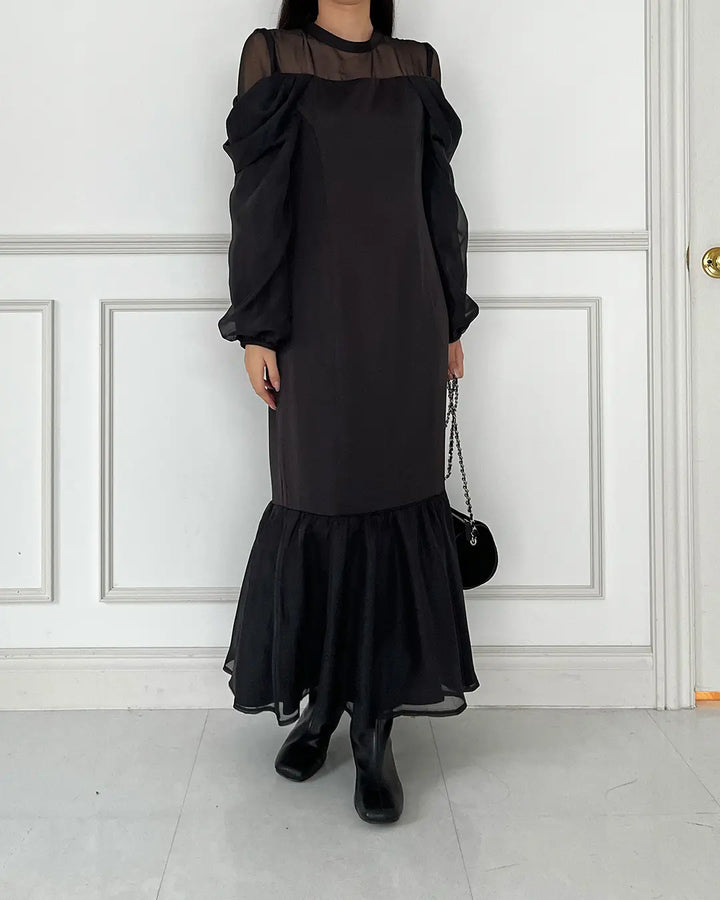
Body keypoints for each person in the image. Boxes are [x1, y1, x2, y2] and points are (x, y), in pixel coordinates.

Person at [219, 0, 480, 825]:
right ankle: (321, 704)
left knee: (396, 507)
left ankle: (374, 726)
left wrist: (450, 317)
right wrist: (257, 328)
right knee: (318, 503)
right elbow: (257, 200)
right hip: (312, 325)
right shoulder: (273, 57)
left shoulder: (416, 65)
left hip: (407, 320)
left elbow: (437, 199)